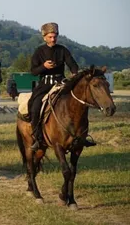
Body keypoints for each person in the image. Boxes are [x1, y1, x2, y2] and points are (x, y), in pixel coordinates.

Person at [28, 22, 95, 151]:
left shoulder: (62, 49)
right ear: (44, 37)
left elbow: (72, 64)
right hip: (45, 84)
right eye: (50, 37)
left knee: (79, 104)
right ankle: (38, 138)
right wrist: (44, 67)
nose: (53, 39)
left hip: (61, 83)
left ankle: (82, 135)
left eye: (55, 37)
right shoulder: (39, 51)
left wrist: (75, 73)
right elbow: (33, 71)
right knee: (34, 105)